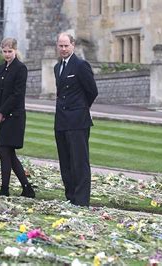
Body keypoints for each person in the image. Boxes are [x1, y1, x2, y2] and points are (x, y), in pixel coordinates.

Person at [53, 33, 98, 206]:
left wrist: (80, 108)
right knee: (65, 162)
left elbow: (92, 91)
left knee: (79, 162)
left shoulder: (81, 65)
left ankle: (81, 201)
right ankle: (70, 197)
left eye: (66, 46)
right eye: (61, 46)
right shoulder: (57, 67)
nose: (63, 49)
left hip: (78, 121)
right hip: (61, 121)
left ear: (73, 45)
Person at [0, 37, 35, 198]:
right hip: (1, 117)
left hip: (14, 117)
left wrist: (2, 111)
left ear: (15, 51)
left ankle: (4, 189)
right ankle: (27, 188)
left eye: (10, 51)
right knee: (8, 153)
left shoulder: (20, 69)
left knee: (4, 150)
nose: (7, 54)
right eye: (5, 51)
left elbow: (17, 94)